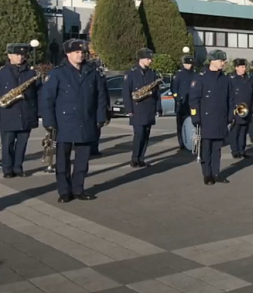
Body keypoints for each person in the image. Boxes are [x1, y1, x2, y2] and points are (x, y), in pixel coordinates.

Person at [40, 39, 106, 202]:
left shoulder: (92, 72)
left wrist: (100, 117)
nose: (80, 55)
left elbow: (101, 97)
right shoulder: (57, 73)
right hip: (64, 123)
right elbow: (47, 99)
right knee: (62, 161)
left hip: (86, 121)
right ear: (68, 54)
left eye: (82, 52)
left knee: (82, 160)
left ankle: (78, 189)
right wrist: (49, 122)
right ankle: (64, 191)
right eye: (76, 52)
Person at [189, 50, 230, 185]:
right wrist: (195, 117)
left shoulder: (225, 79)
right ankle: (207, 174)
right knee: (206, 149)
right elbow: (194, 100)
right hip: (206, 119)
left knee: (217, 149)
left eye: (223, 61)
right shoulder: (201, 77)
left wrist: (230, 115)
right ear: (212, 61)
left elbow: (230, 99)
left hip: (220, 119)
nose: (223, 63)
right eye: (220, 61)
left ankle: (216, 173)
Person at [0, 43, 39, 178]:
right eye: (17, 54)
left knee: (22, 144)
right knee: (7, 144)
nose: (20, 57)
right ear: (9, 56)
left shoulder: (31, 73)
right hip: (8, 114)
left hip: (26, 114)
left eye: (23, 55)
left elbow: (38, 93)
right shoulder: (2, 73)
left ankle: (18, 167)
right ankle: (7, 169)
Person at [122, 48, 162, 168]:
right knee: (139, 134)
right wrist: (129, 109)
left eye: (150, 58)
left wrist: (158, 108)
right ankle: (135, 159)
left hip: (149, 108)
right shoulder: (131, 73)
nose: (150, 61)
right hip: (137, 109)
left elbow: (157, 93)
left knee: (146, 135)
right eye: (148, 58)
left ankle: (141, 158)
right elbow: (126, 92)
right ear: (141, 59)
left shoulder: (153, 73)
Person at [228, 59, 253, 159]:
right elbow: (229, 96)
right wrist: (232, 110)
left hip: (246, 109)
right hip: (236, 109)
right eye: (242, 67)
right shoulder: (232, 79)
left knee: (243, 131)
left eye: (244, 67)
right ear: (236, 68)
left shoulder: (248, 78)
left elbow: (252, 94)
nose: (244, 69)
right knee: (235, 131)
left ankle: (242, 150)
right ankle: (235, 150)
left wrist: (252, 107)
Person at [171, 55, 195, 151]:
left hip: (192, 103)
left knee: (193, 124)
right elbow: (174, 89)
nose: (189, 65)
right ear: (184, 64)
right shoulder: (178, 74)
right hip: (182, 103)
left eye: (191, 63)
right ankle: (182, 143)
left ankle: (192, 141)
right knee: (181, 125)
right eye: (187, 63)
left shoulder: (195, 74)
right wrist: (178, 99)